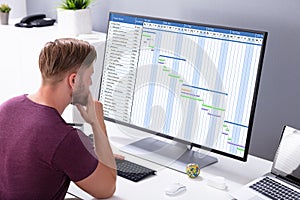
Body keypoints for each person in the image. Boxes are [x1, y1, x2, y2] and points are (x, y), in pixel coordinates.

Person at [0, 38, 117, 199]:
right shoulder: (65, 138)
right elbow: (107, 188)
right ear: (74, 80)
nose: (90, 83)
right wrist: (97, 123)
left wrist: (87, 156)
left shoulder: (8, 107)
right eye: (89, 76)